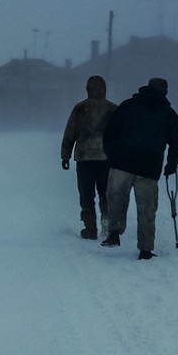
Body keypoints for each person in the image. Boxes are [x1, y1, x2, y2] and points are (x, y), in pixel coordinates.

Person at [100, 77, 178, 260]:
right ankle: (145, 249)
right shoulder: (167, 113)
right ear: (165, 92)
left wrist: (112, 155)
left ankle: (114, 233)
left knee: (116, 200)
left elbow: (110, 132)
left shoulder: (128, 106)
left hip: (121, 163)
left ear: (147, 87)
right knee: (147, 209)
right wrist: (172, 163)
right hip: (149, 168)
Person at [61, 75, 117, 240]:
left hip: (84, 157)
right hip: (106, 158)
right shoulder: (113, 109)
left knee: (86, 194)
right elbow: (120, 134)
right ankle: (107, 222)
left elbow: (70, 133)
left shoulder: (80, 108)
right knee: (105, 193)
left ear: (87, 89)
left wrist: (65, 156)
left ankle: (90, 228)